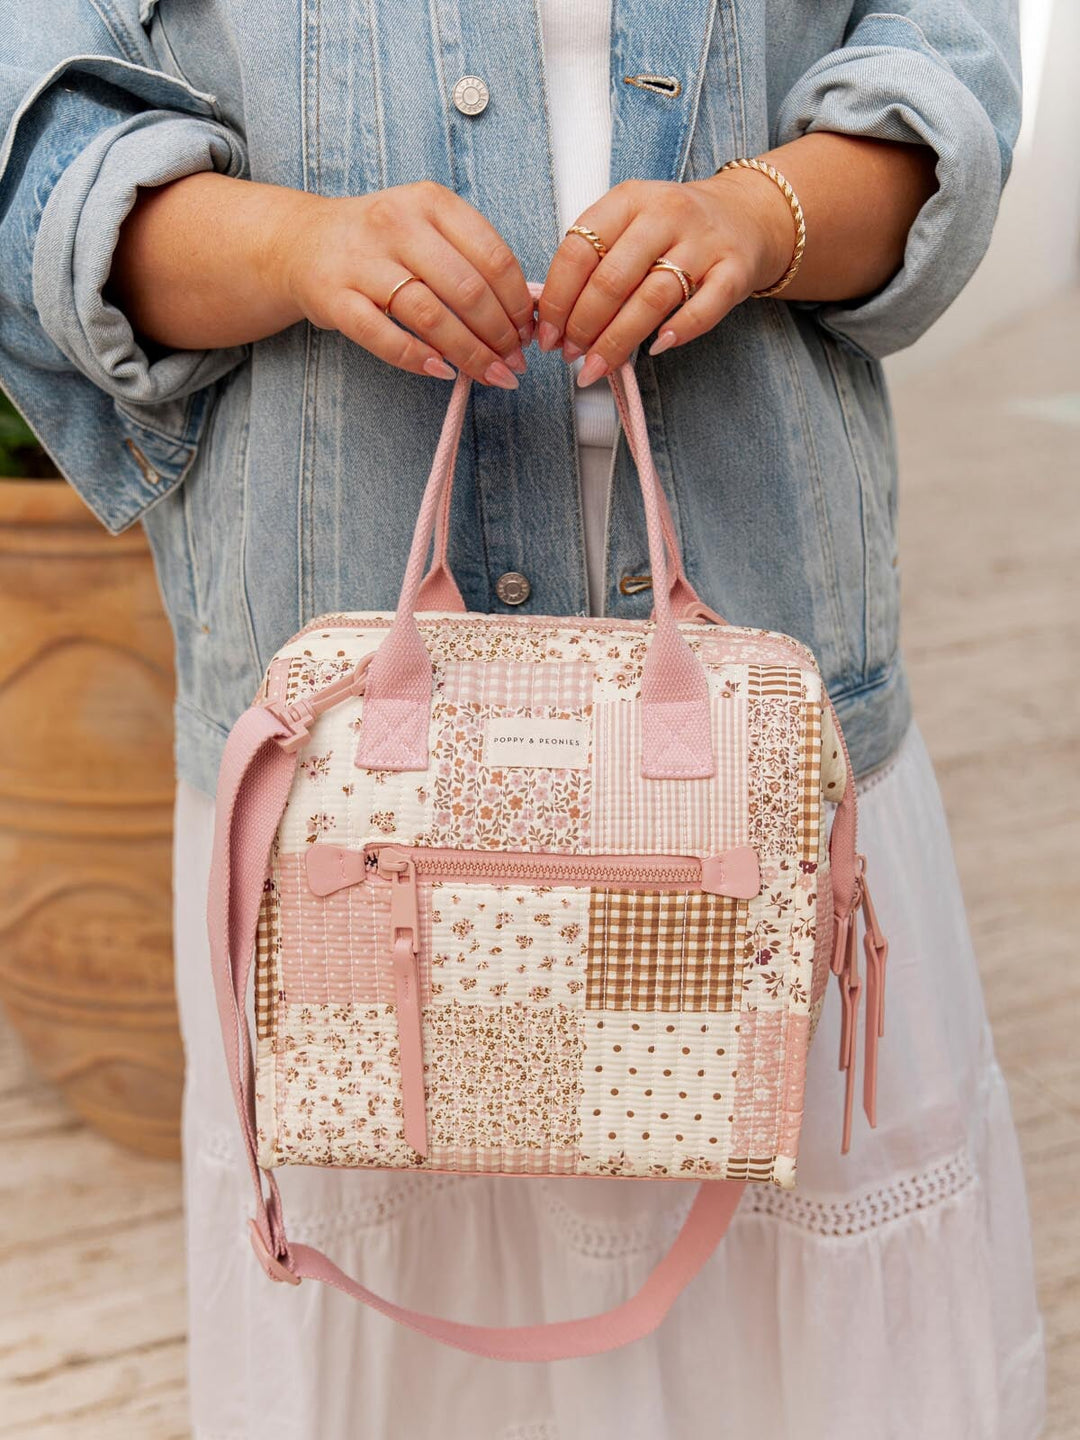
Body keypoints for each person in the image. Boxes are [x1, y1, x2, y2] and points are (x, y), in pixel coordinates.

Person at [0, 2, 1046, 1436]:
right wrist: (297, 250)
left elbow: (950, 85)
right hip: (352, 770)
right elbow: (38, 160)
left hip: (764, 713)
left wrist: (760, 214)